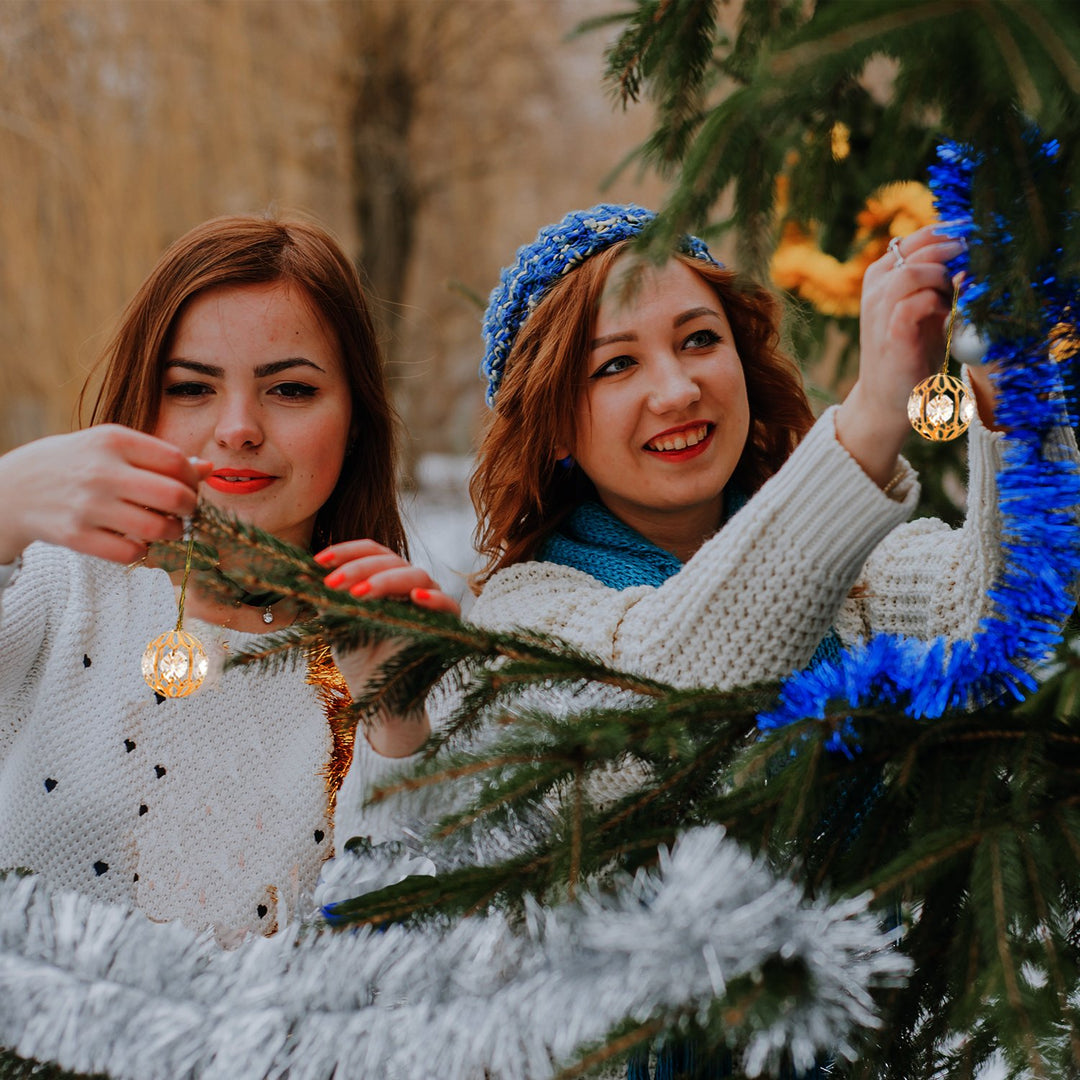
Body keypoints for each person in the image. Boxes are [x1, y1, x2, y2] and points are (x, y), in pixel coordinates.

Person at [0, 213, 457, 944]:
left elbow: (417, 954)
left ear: (358, 420)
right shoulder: (53, 588)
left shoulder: (405, 644)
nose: (238, 427)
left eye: (291, 391)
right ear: (143, 402)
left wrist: (397, 728)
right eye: (191, 388)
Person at [466, 203, 1020, 691]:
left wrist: (1012, 379)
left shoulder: (858, 568)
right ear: (553, 426)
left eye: (699, 339)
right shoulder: (520, 619)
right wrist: (873, 411)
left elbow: (1006, 605)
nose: (679, 392)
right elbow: (674, 673)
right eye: (616, 364)